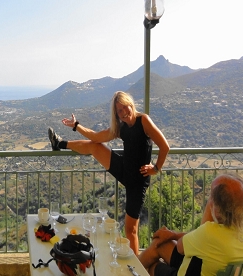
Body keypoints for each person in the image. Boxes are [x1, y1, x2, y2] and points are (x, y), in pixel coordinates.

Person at [48, 91, 170, 255]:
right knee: (95, 146)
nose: (123, 112)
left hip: (137, 182)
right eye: (119, 111)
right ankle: (60, 143)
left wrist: (155, 168)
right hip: (123, 168)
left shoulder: (144, 121)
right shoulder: (121, 127)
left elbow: (165, 146)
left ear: (131, 104)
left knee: (130, 229)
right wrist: (76, 126)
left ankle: (137, 265)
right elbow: (96, 137)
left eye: (124, 107)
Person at [138, 174, 243, 276]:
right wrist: (173, 234)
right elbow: (197, 238)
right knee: (161, 243)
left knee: (154, 267)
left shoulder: (209, 233)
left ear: (217, 207)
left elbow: (180, 248)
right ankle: (130, 271)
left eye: (212, 197)